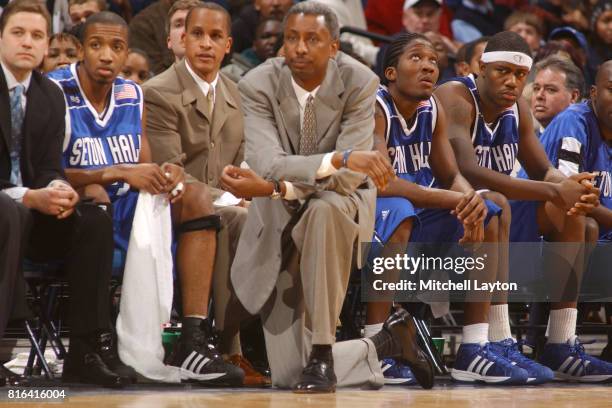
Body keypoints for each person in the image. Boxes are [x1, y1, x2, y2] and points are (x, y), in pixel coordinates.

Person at [221, 1, 436, 393]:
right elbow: (269, 163)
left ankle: (323, 351)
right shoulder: (256, 84)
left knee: (324, 208)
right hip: (278, 212)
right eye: (292, 39)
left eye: (312, 39)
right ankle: (389, 341)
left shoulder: (360, 82)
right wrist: (332, 160)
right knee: (289, 376)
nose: (299, 48)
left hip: (344, 206)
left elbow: (350, 179)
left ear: (334, 47)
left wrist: (283, 182)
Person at [47, 11, 244, 386]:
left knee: (197, 196)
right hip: (76, 211)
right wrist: (117, 173)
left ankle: (192, 338)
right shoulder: (56, 90)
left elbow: (145, 161)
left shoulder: (131, 93)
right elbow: (45, 171)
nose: (106, 55)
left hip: (128, 207)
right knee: (97, 196)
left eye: (116, 47)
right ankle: (97, 342)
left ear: (127, 54)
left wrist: (165, 174)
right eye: (96, 45)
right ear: (79, 51)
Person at [434, 30, 609, 383]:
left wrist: (571, 188)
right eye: (502, 71)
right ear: (481, 67)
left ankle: (560, 342)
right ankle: (495, 340)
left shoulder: (518, 108)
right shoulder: (455, 96)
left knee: (579, 218)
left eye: (518, 75)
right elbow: (467, 170)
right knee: (498, 202)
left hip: (494, 216)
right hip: (446, 210)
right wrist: (553, 191)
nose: (511, 81)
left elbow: (543, 169)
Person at [366, 33, 533, 385]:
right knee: (398, 209)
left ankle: (475, 347)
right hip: (373, 215)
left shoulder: (431, 109)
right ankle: (375, 345)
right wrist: (456, 198)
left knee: (490, 208)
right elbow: (384, 184)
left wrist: (470, 202)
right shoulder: (375, 107)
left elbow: (451, 174)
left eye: (432, 60)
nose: (428, 66)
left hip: (422, 214)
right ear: (391, 72)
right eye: (417, 58)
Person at [0, 0, 135, 388]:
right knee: (10, 212)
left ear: (48, 45)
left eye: (37, 35)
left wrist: (59, 189)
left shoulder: (49, 95)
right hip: (7, 212)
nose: (28, 42)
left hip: (30, 216)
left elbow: (48, 168)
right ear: (2, 39)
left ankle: (86, 350)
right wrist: (28, 197)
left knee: (92, 218)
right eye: (18, 33)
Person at [143, 2, 269, 387]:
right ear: (182, 38)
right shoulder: (158, 92)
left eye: (215, 37)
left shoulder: (238, 95)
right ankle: (218, 341)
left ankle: (261, 342)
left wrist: (253, 189)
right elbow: (170, 172)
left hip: (226, 205)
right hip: (174, 208)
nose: (205, 44)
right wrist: (236, 198)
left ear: (228, 45)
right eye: (196, 34)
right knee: (240, 217)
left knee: (276, 216)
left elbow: (247, 163)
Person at [537, 60, 612, 371]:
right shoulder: (574, 122)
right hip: (539, 234)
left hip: (594, 238)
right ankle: (559, 342)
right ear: (593, 93)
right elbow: (570, 197)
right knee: (584, 222)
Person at [531, 56, 584, 137]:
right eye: (536, 88)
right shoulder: (523, 141)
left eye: (550, 90)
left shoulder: (587, 140)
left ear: (573, 96)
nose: (539, 96)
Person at [222, 17, 281, 82]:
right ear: (254, 45)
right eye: (265, 36)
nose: (273, 41)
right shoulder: (230, 72)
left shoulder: (290, 71)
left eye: (279, 37)